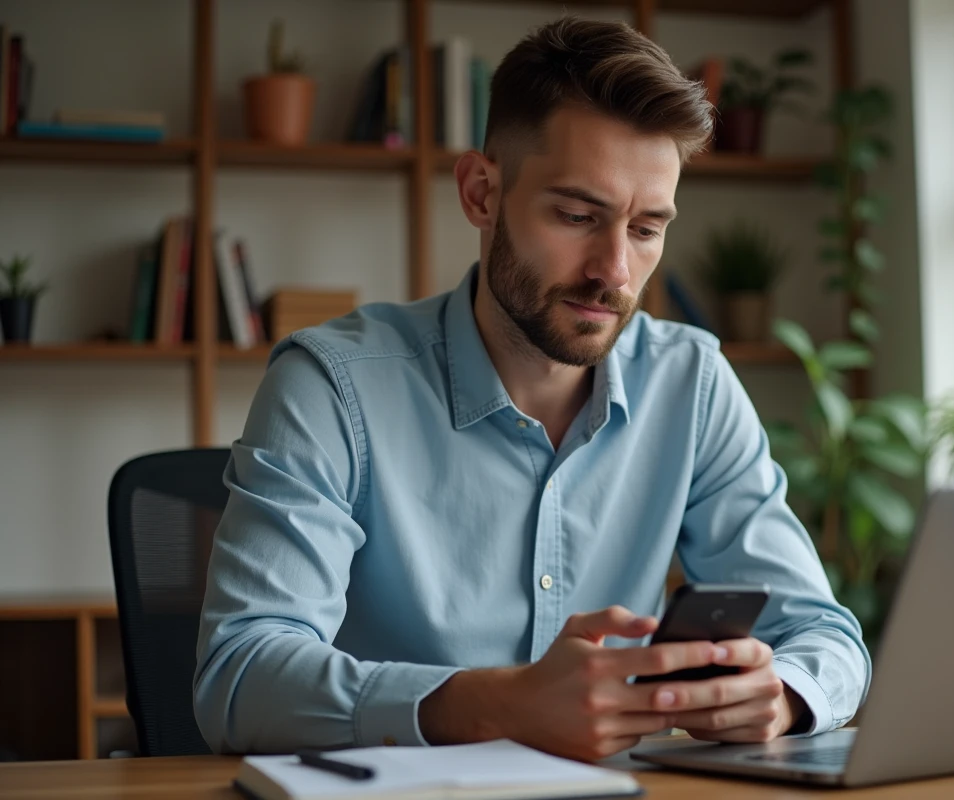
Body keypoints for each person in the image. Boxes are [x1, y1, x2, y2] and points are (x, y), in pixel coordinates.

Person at [193, 16, 869, 762]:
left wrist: (784, 695)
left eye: (646, 229)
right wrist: (501, 704)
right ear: (482, 193)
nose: (613, 270)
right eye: (578, 216)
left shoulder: (692, 382)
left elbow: (824, 636)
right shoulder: (331, 386)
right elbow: (240, 677)